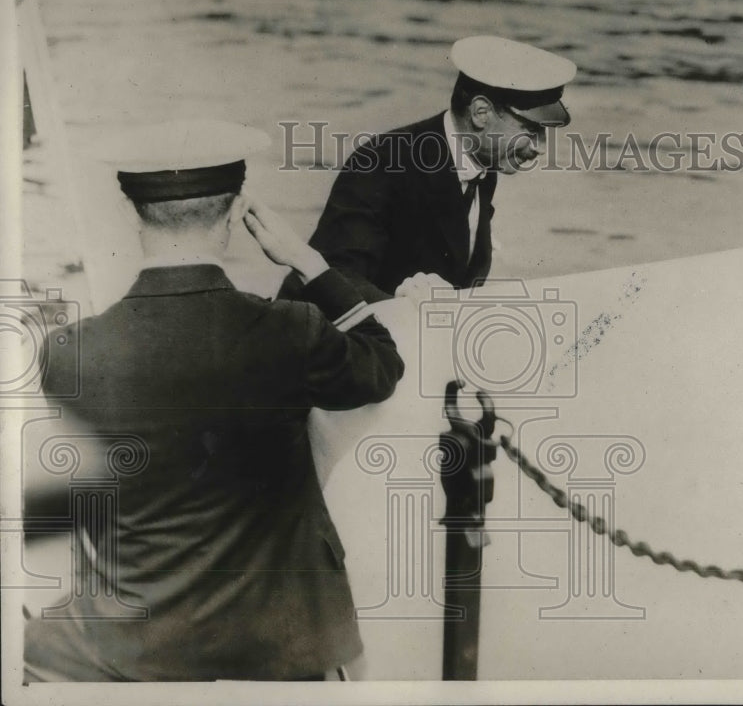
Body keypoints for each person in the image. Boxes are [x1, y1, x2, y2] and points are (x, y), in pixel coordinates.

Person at [22, 121, 404, 682]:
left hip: (137, 650)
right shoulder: (292, 330)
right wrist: (309, 264)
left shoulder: (69, 353)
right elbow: (381, 365)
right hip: (283, 645)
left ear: (131, 214)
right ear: (236, 214)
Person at [282, 35, 576, 303]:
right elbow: (331, 274)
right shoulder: (382, 161)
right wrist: (403, 303)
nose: (540, 147)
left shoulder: (483, 163)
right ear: (481, 113)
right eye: (531, 130)